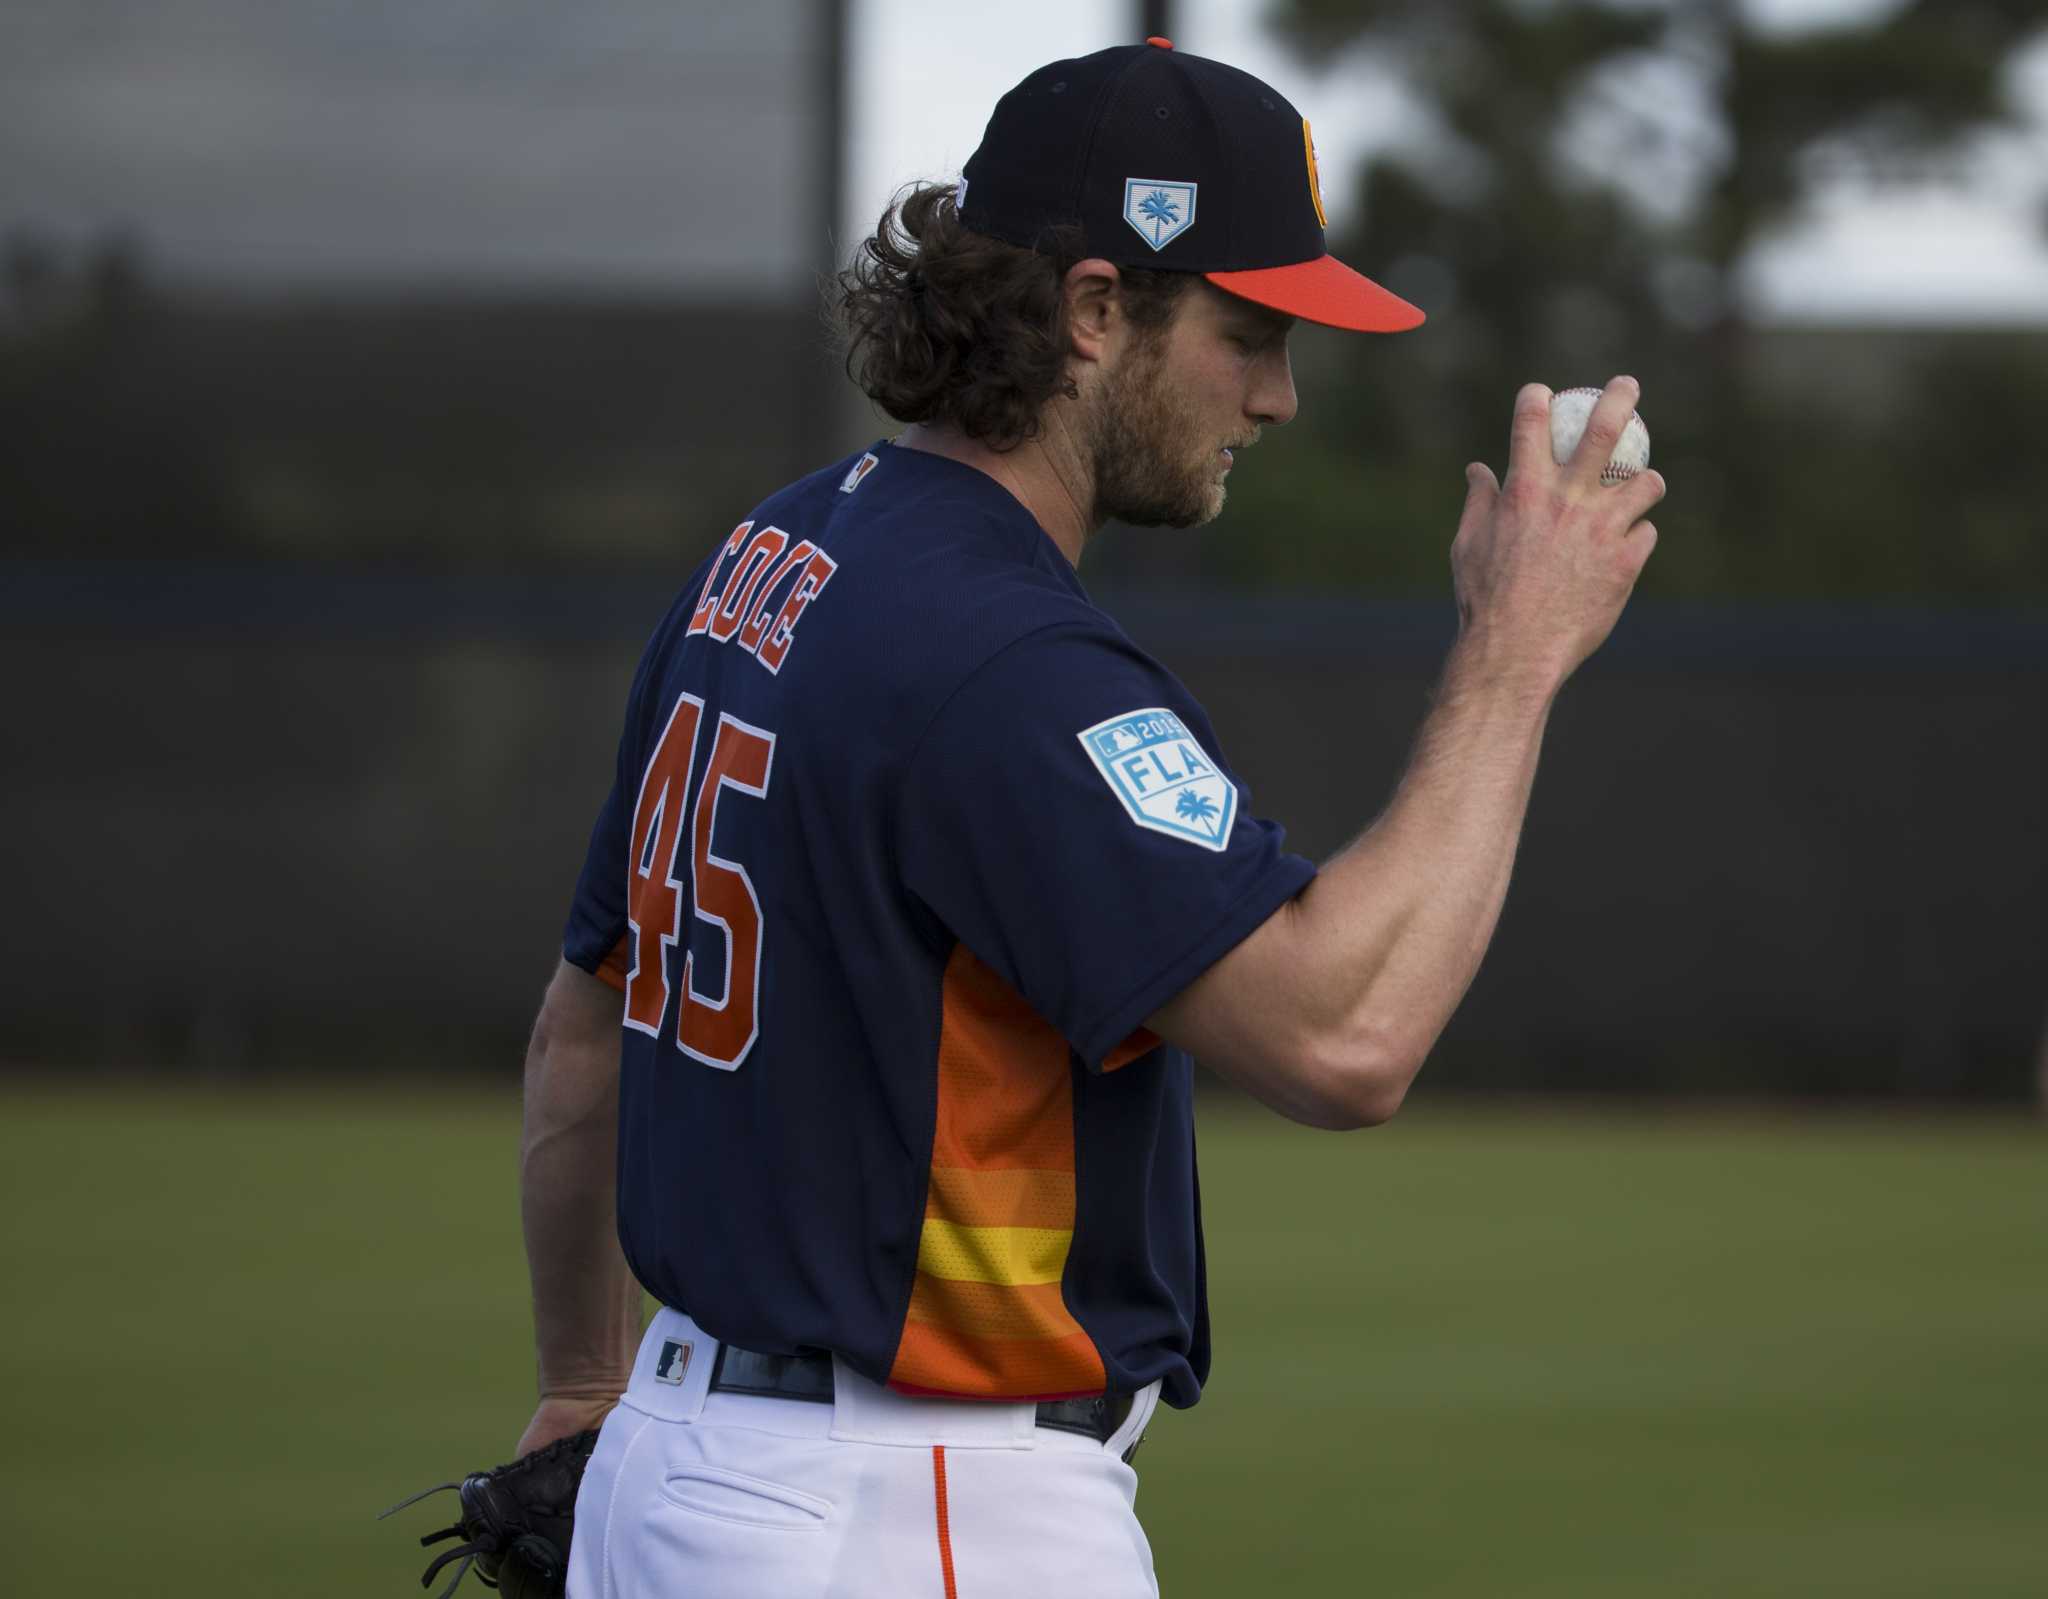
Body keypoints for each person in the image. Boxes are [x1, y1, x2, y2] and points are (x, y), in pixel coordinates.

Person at [517, 38, 1663, 1599]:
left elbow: (584, 1030)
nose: (1280, 392)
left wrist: (581, 1388)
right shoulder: (1005, 659)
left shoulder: (770, 558)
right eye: (1250, 332)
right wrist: (1516, 654)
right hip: (904, 1503)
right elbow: (1345, 1038)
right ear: (1095, 310)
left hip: (681, 1472)